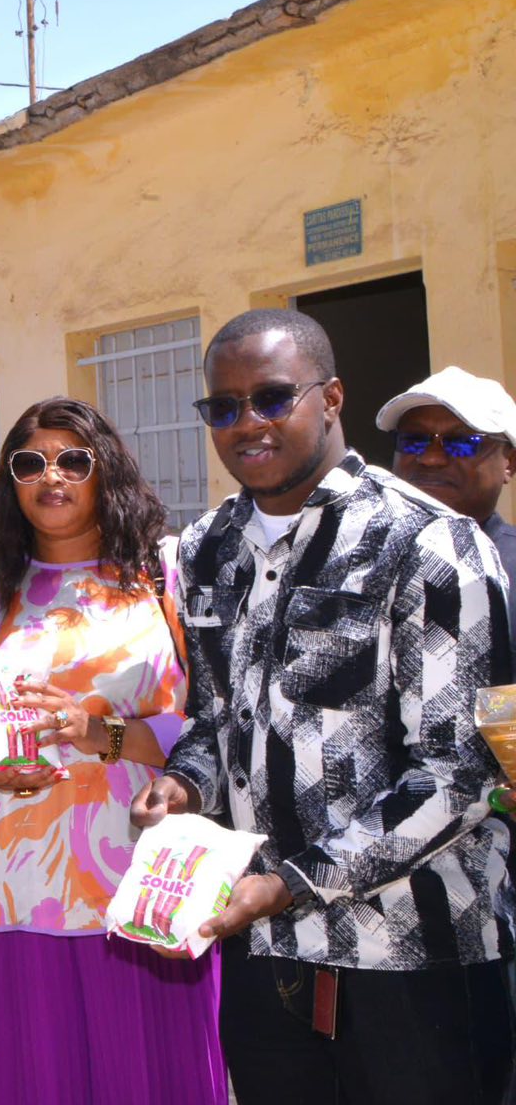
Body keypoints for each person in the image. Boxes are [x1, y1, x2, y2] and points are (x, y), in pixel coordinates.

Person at [134, 308, 513, 1105]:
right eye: (224, 407)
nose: (248, 424)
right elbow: (215, 718)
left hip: (413, 958)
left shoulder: (431, 544)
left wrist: (295, 880)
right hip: (268, 957)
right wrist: (186, 785)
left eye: (272, 397)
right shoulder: (207, 548)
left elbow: (462, 772)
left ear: (332, 396)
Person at [0, 397, 222, 1105]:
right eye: (30, 463)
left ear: (107, 472)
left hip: (143, 877)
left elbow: (207, 722)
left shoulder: (163, 577)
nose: (52, 476)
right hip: (20, 881)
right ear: (12, 483)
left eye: (73, 459)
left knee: (149, 1077)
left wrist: (103, 735)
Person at [378, 366, 516, 592]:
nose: (431, 458)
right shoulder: (356, 562)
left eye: (462, 442)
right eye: (414, 440)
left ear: (509, 463)